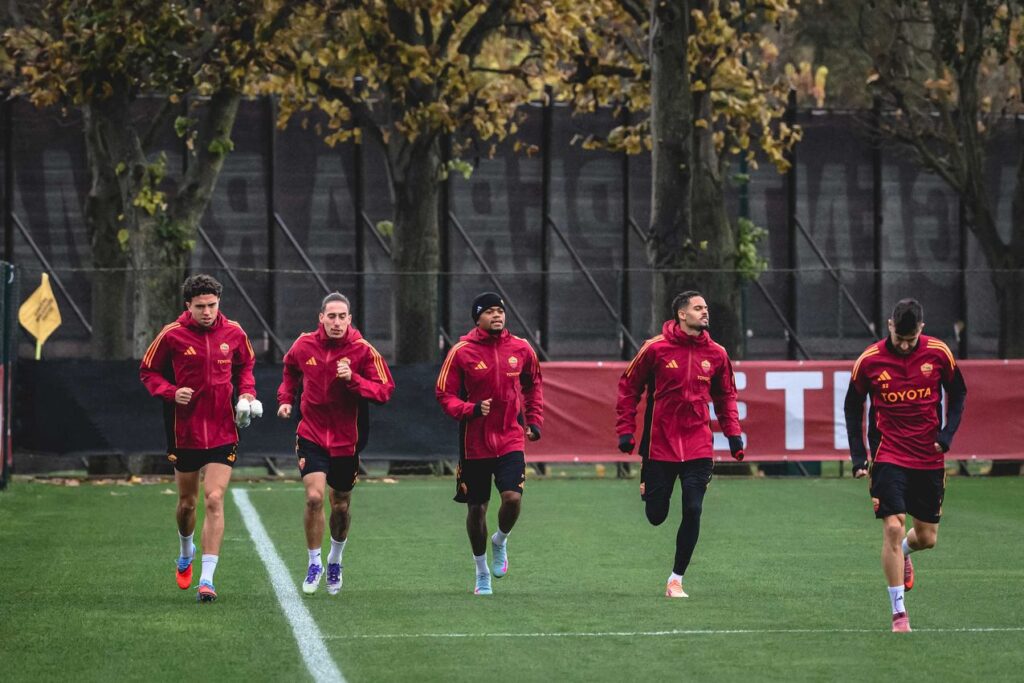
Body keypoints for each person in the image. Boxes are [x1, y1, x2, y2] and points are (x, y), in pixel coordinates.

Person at [845, 298, 967, 633]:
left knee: (926, 537)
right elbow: (853, 407)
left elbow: (958, 394)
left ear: (921, 331)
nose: (903, 345)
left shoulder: (939, 352)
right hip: (889, 455)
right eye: (899, 338)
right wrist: (858, 457)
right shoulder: (869, 360)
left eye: (910, 341)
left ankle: (904, 553)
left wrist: (947, 434)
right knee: (893, 526)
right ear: (890, 326)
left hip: (928, 456)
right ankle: (899, 614)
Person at [615, 290, 745, 598]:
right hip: (660, 445)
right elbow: (628, 387)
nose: (705, 312)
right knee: (656, 515)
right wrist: (626, 430)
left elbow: (726, 396)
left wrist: (733, 434)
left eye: (705, 307)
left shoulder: (717, 353)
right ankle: (649, 488)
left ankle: (676, 579)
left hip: (699, 444)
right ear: (681, 314)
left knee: (693, 507)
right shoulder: (655, 349)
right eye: (698, 308)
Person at [140, 274, 259, 603]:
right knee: (187, 504)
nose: (207, 312)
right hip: (185, 431)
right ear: (188, 306)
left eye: (212, 305)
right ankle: (184, 551)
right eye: (200, 306)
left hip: (223, 428)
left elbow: (246, 364)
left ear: (219, 303)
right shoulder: (172, 334)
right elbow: (147, 371)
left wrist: (247, 394)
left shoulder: (233, 332)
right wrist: (171, 391)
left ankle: (207, 579)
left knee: (214, 499)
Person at [277, 292, 394, 596]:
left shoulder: (363, 351)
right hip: (312, 434)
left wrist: (353, 379)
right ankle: (314, 562)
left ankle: (335, 560)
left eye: (343, 316)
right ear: (321, 318)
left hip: (346, 440)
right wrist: (286, 400)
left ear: (350, 319)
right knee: (315, 498)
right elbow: (290, 370)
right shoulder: (304, 345)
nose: (337, 322)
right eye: (332, 316)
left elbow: (385, 391)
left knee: (340, 504)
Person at [435, 292, 543, 596]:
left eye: (500, 310)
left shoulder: (521, 349)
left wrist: (533, 421)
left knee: (512, 498)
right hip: (475, 443)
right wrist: (470, 409)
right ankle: (481, 572)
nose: (497, 315)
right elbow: (444, 394)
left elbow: (533, 385)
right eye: (490, 311)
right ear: (477, 317)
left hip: (510, 437)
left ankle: (501, 540)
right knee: (477, 509)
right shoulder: (461, 351)